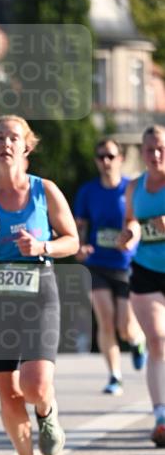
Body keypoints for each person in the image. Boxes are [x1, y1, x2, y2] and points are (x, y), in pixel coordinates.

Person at [0, 116, 79, 455]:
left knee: (34, 386)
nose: (5, 142)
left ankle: (47, 413)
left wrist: (43, 247)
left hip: (40, 290)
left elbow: (72, 239)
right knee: (8, 394)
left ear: (26, 147)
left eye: (13, 137)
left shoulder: (44, 190)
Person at [74, 138, 145, 394]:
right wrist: (80, 247)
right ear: (96, 160)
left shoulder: (130, 189)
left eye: (111, 156)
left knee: (125, 327)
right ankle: (115, 376)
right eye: (101, 156)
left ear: (121, 159)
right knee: (105, 320)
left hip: (126, 264)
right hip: (97, 264)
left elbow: (137, 221)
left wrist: (131, 238)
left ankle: (137, 341)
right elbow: (80, 224)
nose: (106, 161)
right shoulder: (88, 191)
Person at [117, 124, 165, 447]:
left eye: (161, 148)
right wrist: (129, 233)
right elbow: (130, 221)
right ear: (142, 152)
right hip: (146, 271)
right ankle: (161, 416)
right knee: (158, 339)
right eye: (150, 149)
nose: (156, 155)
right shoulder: (134, 187)